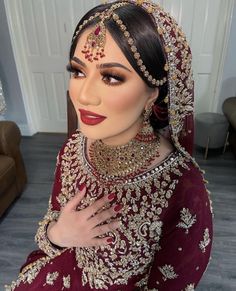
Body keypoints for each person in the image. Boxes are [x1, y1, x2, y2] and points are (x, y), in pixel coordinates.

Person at [6, 0, 213, 290]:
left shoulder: (183, 189)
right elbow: (50, 232)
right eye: (78, 71)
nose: (84, 95)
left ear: (153, 92)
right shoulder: (73, 151)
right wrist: (58, 234)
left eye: (112, 77)